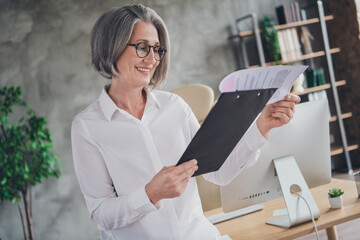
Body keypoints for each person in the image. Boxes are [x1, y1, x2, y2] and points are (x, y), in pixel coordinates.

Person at [71, 4, 300, 240]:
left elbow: (217, 173)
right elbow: (101, 213)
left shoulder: (175, 107)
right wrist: (150, 194)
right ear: (111, 48)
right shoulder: (87, 127)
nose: (152, 59)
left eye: (157, 50)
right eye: (142, 47)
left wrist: (261, 127)